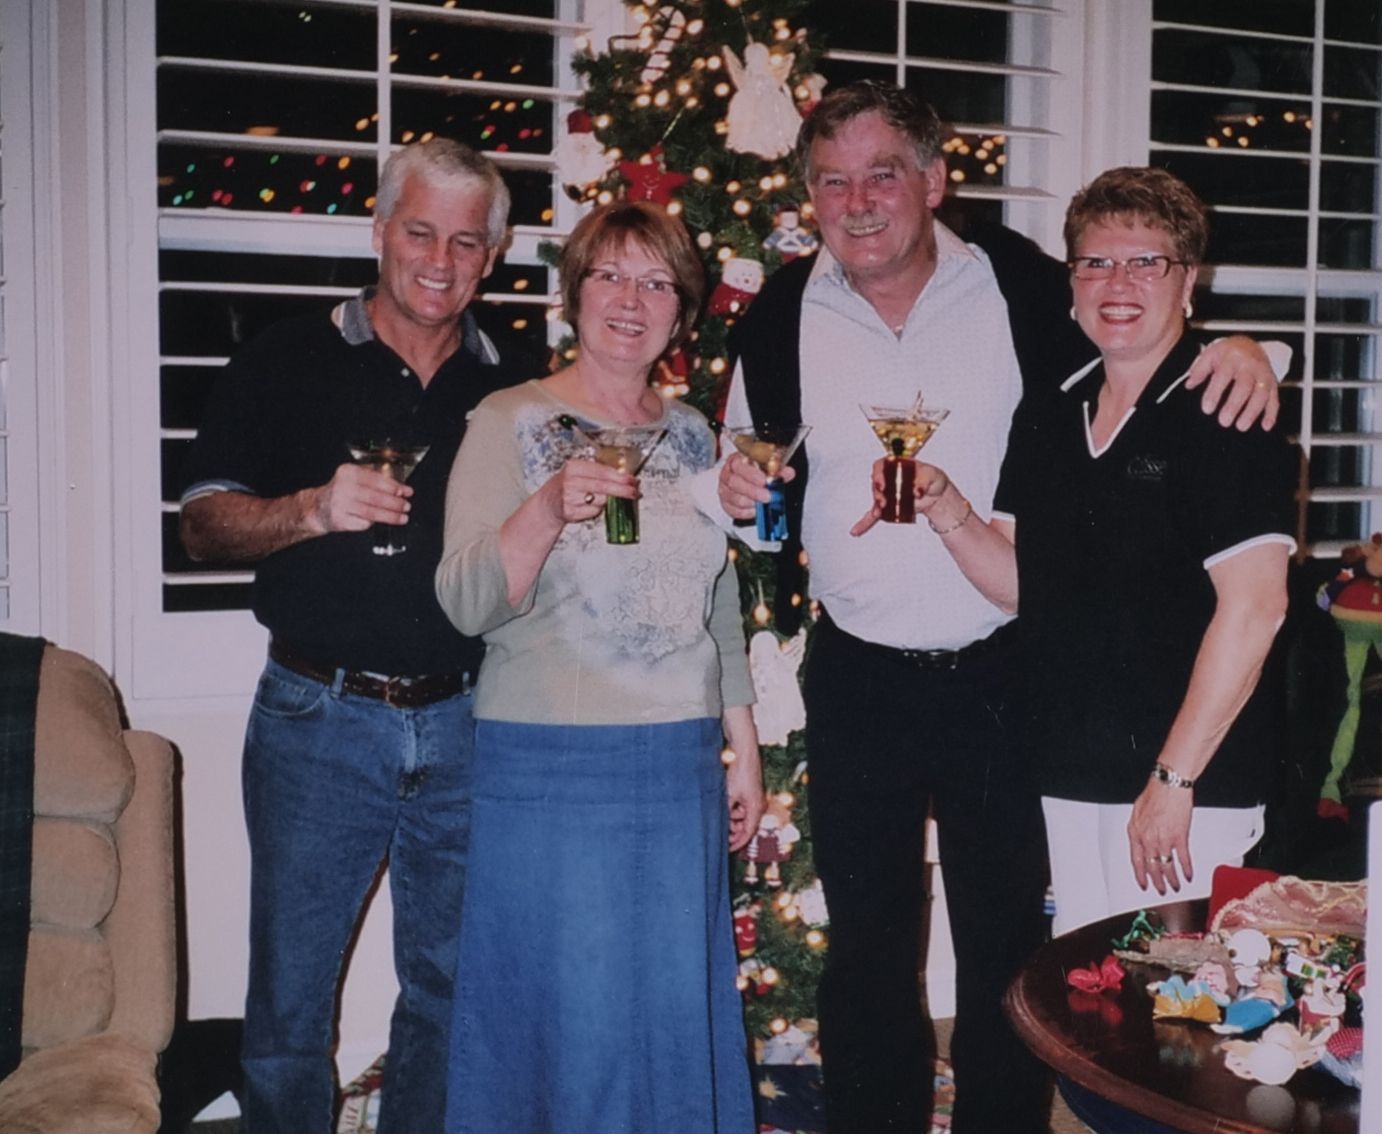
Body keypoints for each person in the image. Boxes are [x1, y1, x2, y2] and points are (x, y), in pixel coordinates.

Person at [699, 81, 1283, 1133]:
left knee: (1010, 945)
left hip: (1007, 671)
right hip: (856, 670)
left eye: (883, 174)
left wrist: (1246, 351)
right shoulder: (780, 311)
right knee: (868, 947)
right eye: (832, 181)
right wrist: (739, 496)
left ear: (934, 181)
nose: (858, 202)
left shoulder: (1019, 282)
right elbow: (754, 479)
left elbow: (1137, 329)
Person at [179, 138, 537, 1133]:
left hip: (468, 720)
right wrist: (310, 508)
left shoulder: (516, 387)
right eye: (419, 232)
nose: (440, 261)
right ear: (379, 231)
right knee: (290, 1005)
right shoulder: (285, 357)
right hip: (318, 719)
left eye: (465, 242)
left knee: (449, 989)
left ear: (494, 254)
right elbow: (201, 525)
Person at [889, 166, 1295, 936]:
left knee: (1176, 998)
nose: (1118, 283)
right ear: (1071, 281)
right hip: (1070, 771)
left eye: (1146, 262)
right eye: (1096, 262)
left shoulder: (1225, 409)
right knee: (1086, 986)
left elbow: (1255, 611)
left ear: (1188, 282)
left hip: (1191, 786)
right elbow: (1021, 587)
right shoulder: (1050, 411)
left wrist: (1172, 780)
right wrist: (947, 509)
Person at [434, 200, 762, 1132]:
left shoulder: (693, 433)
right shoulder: (509, 419)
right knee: (570, 1018)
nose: (631, 300)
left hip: (677, 765)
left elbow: (714, 600)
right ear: (574, 293)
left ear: (681, 313)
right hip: (554, 764)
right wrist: (545, 507)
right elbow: (463, 601)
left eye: (657, 283)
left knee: (670, 1005)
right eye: (610, 276)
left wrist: (741, 743)